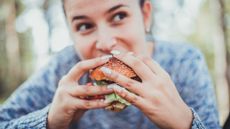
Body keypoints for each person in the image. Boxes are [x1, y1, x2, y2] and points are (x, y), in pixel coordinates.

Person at [0, 0, 221, 129]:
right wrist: (49, 121)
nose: (105, 43)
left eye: (118, 16)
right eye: (84, 25)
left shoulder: (185, 63)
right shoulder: (63, 70)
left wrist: (186, 123)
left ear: (145, 15)